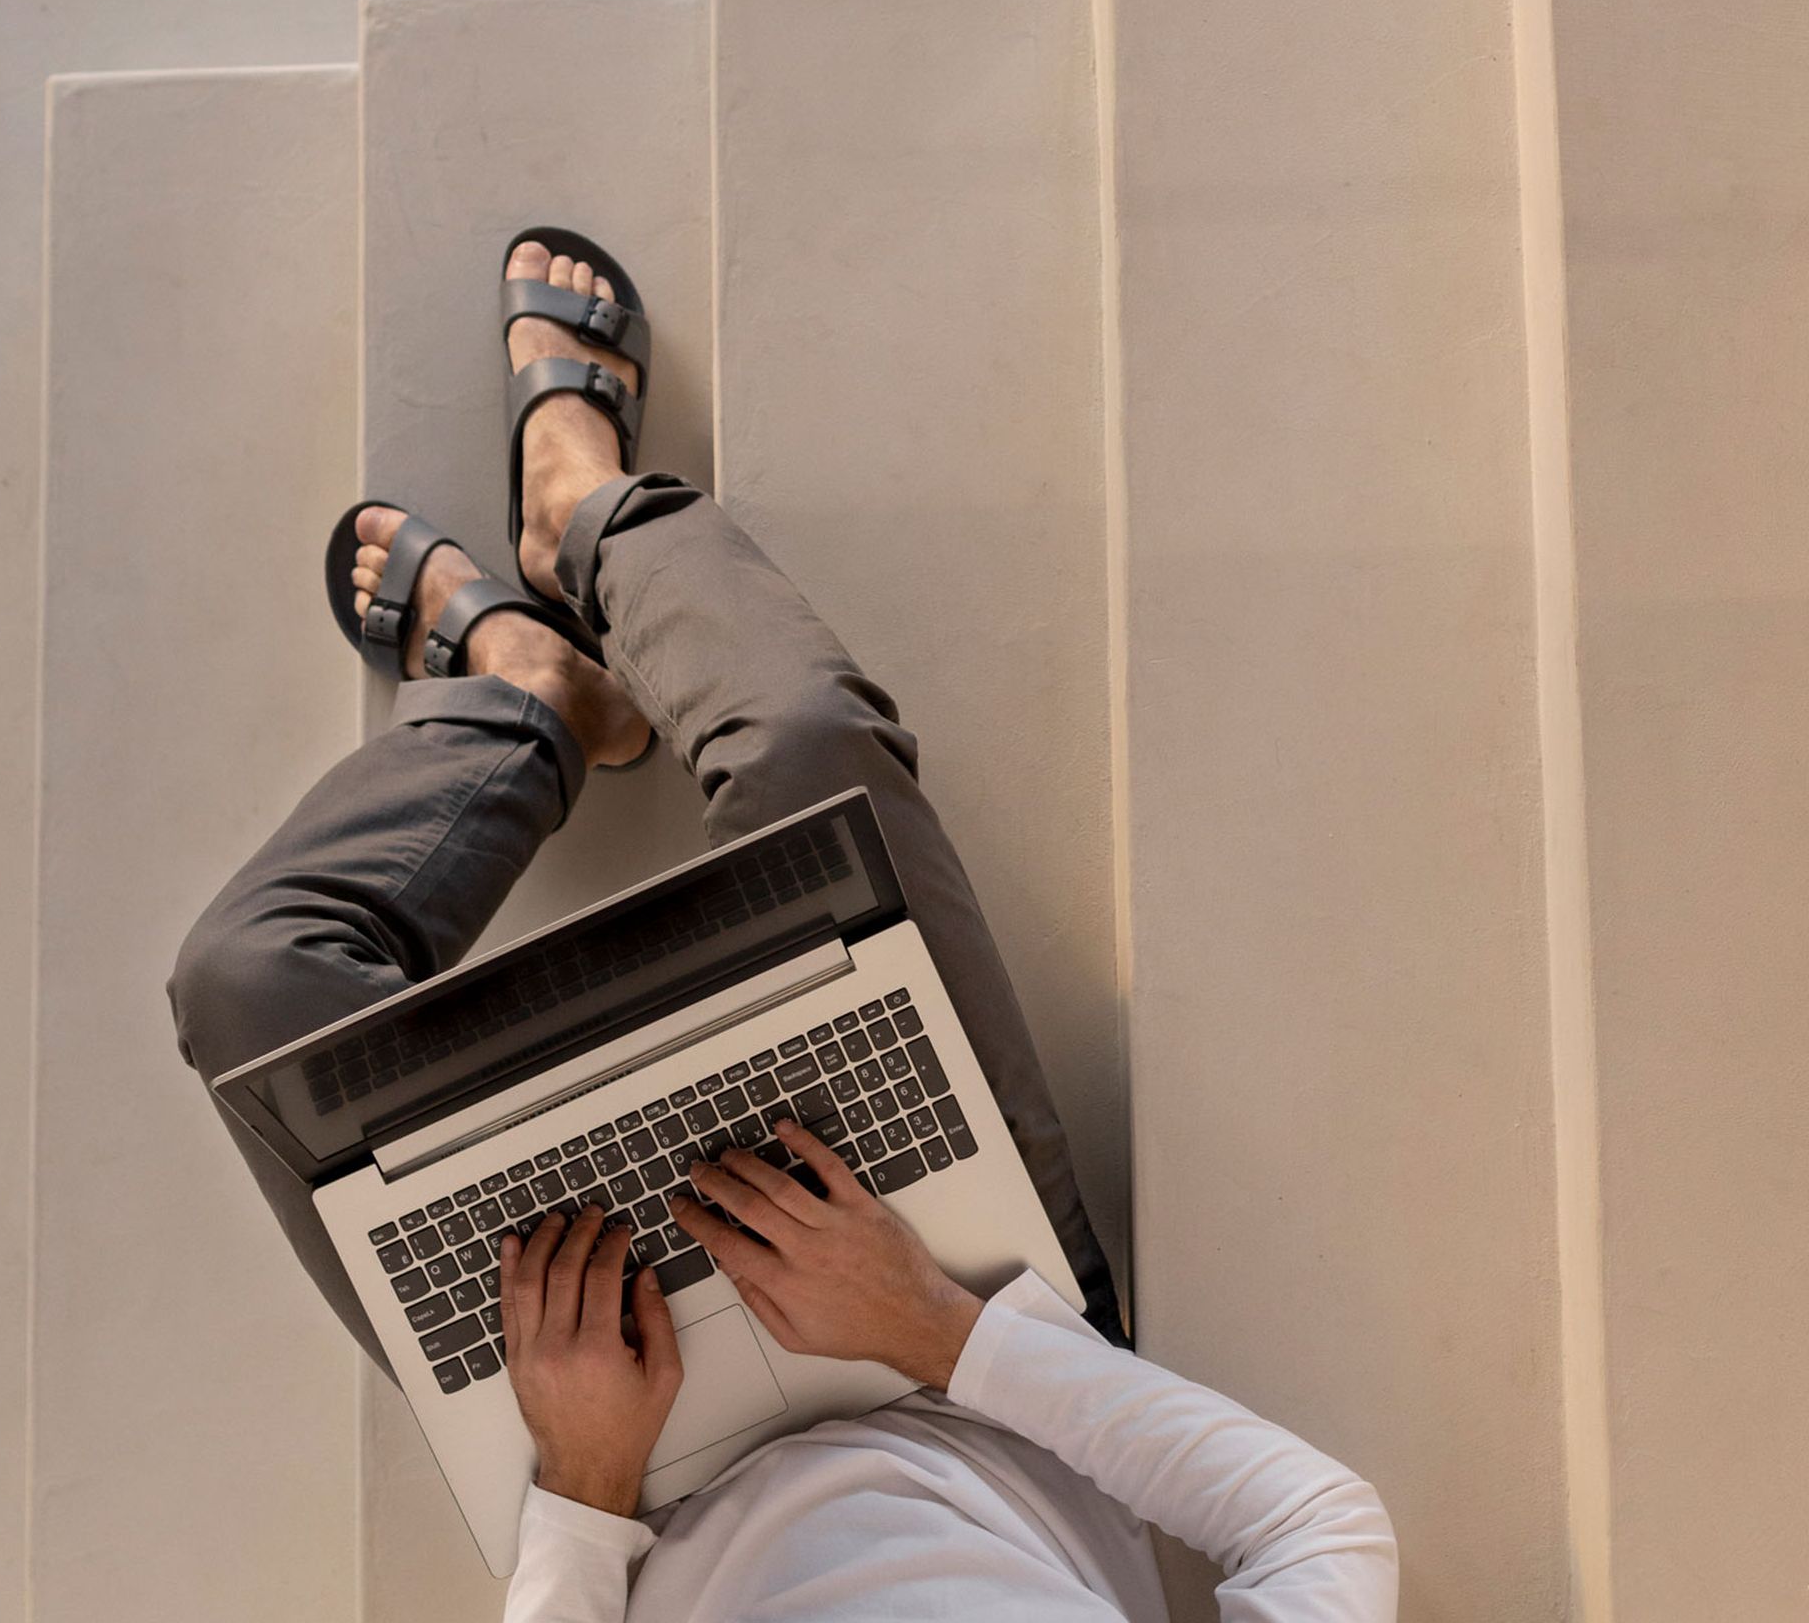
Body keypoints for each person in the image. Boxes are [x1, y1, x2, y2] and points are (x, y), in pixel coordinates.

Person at [169, 236, 1397, 1620]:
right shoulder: (949, 1326)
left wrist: (581, 1491)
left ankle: (528, 701)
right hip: (953, 1332)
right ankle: (584, 516)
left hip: (634, 1454)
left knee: (247, 987)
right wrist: (934, 1326)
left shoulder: (602, 1474)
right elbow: (1320, 1532)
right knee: (814, 757)